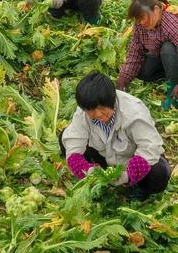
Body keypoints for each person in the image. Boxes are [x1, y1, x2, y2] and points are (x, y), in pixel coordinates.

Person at [60, 72, 172, 200]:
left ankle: (140, 186)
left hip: (130, 160)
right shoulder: (84, 112)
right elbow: (73, 143)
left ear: (111, 99)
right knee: (65, 137)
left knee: (159, 172)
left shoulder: (134, 112)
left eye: (101, 108)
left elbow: (150, 147)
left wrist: (128, 174)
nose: (98, 114)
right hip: (104, 156)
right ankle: (97, 180)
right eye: (91, 110)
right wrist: (87, 170)